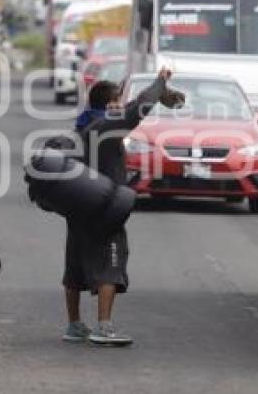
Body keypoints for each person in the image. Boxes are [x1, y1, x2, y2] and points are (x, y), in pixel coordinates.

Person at [63, 67, 176, 346]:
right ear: (107, 105)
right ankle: (104, 327)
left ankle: (75, 326)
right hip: (105, 208)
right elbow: (137, 109)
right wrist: (159, 83)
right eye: (115, 100)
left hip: (78, 206)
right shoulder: (107, 127)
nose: (119, 105)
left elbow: (130, 108)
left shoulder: (84, 126)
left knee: (75, 266)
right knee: (110, 265)